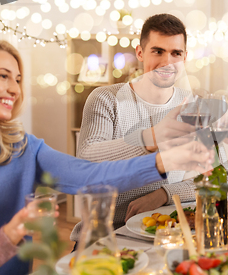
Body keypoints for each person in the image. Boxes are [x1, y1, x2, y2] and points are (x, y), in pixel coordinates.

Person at [0, 39, 213, 274]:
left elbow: (90, 176)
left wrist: (161, 161)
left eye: (17, 79)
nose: (14, 89)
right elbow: (91, 156)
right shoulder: (105, 99)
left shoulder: (22, 147)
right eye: (3, 76)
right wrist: (9, 235)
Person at [70, 14, 199, 243]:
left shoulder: (192, 105)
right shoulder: (104, 99)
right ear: (140, 52)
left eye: (176, 53)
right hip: (104, 237)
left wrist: (163, 195)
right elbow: (87, 162)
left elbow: (211, 179)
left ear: (184, 57)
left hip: (166, 234)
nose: (167, 62)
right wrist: (149, 139)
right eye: (157, 51)